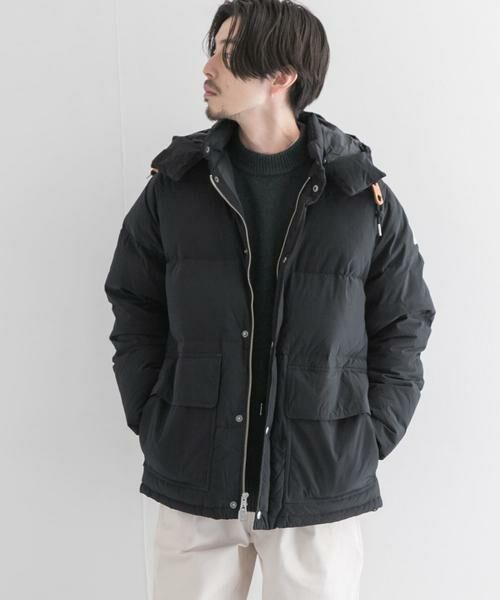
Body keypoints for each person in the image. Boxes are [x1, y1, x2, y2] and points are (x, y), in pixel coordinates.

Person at [104, 1, 436, 598]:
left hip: (317, 486)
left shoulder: (361, 198)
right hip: (195, 480)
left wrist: (368, 438)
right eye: (212, 49)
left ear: (281, 75)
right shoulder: (175, 187)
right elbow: (134, 304)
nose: (208, 67)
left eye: (228, 54)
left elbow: (405, 322)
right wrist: (155, 417)